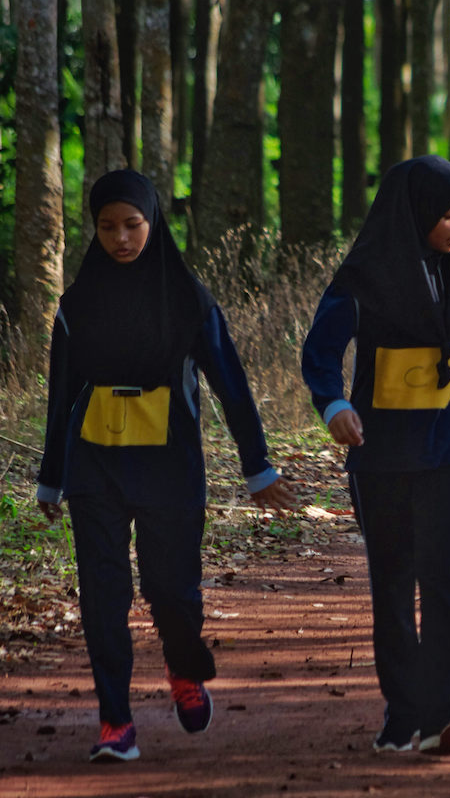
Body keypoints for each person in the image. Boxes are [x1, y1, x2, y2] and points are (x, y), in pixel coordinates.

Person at [35, 169, 295, 763]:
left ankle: (184, 668)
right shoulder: (76, 304)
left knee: (170, 590)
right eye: (107, 227)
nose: (120, 238)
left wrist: (258, 467)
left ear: (152, 221)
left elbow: (232, 385)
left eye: (132, 224)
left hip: (170, 464)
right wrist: (51, 478)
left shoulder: (188, 300)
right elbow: (60, 395)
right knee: (103, 593)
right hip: (95, 463)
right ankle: (115, 722)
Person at [301, 155, 450, 755]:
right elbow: (321, 350)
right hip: (380, 448)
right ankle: (402, 714)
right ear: (414, 213)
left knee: (442, 575)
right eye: (447, 215)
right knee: (391, 581)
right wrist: (333, 404)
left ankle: (446, 713)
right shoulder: (364, 274)